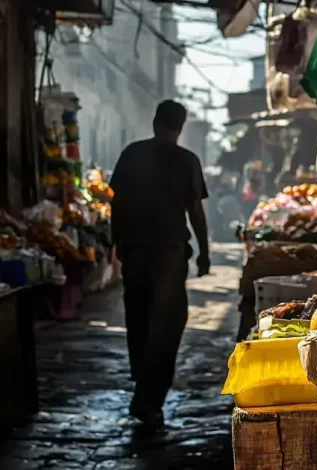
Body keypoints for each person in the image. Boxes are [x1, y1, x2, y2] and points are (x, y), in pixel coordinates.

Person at [110, 100, 210, 432]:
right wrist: (204, 251)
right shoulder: (187, 160)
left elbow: (117, 202)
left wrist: (118, 243)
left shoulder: (132, 153)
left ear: (155, 122)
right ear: (180, 127)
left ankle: (143, 388)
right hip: (168, 253)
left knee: (138, 320)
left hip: (136, 251)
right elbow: (195, 211)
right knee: (166, 327)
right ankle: (150, 400)